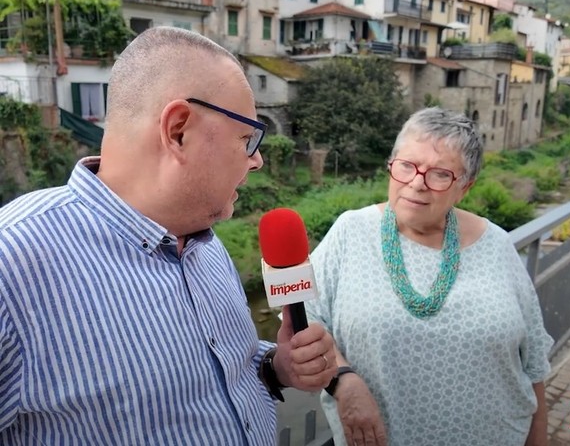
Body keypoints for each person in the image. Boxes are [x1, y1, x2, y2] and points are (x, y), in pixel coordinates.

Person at [0, 27, 337, 445]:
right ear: (178, 130)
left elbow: (227, 375)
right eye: (246, 139)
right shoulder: (11, 265)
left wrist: (276, 366)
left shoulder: (205, 243)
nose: (258, 160)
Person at [307, 107, 554, 446]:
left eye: (439, 174)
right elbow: (303, 320)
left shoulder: (496, 244)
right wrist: (342, 379)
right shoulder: (350, 233)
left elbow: (533, 364)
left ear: (464, 187)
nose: (416, 184)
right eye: (406, 166)